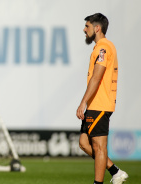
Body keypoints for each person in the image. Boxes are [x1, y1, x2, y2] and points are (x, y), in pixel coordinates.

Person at [76, 13, 128, 184]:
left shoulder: (103, 48)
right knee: (84, 142)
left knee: (99, 147)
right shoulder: (103, 47)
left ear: (97, 28)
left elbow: (96, 78)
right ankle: (115, 171)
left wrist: (83, 102)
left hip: (99, 103)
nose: (84, 30)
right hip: (96, 103)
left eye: (87, 26)